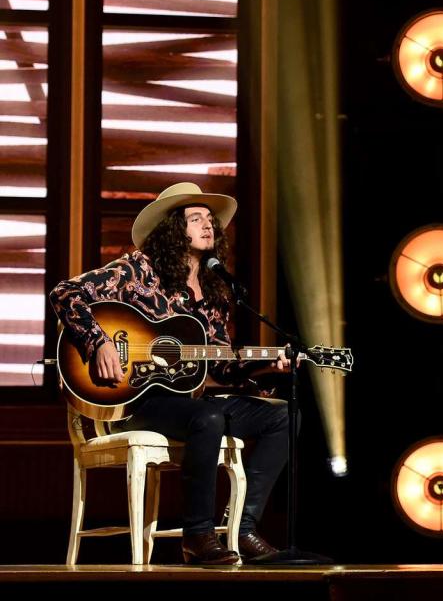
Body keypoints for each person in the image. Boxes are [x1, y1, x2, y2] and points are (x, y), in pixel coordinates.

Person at [50, 182, 290, 565]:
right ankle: (198, 537)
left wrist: (264, 364)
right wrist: (98, 342)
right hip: (139, 401)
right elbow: (65, 293)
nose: (208, 225)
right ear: (173, 228)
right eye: (196, 218)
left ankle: (242, 527)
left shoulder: (214, 291)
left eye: (210, 220)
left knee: (280, 415)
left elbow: (223, 367)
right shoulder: (137, 270)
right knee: (208, 417)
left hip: (190, 406)